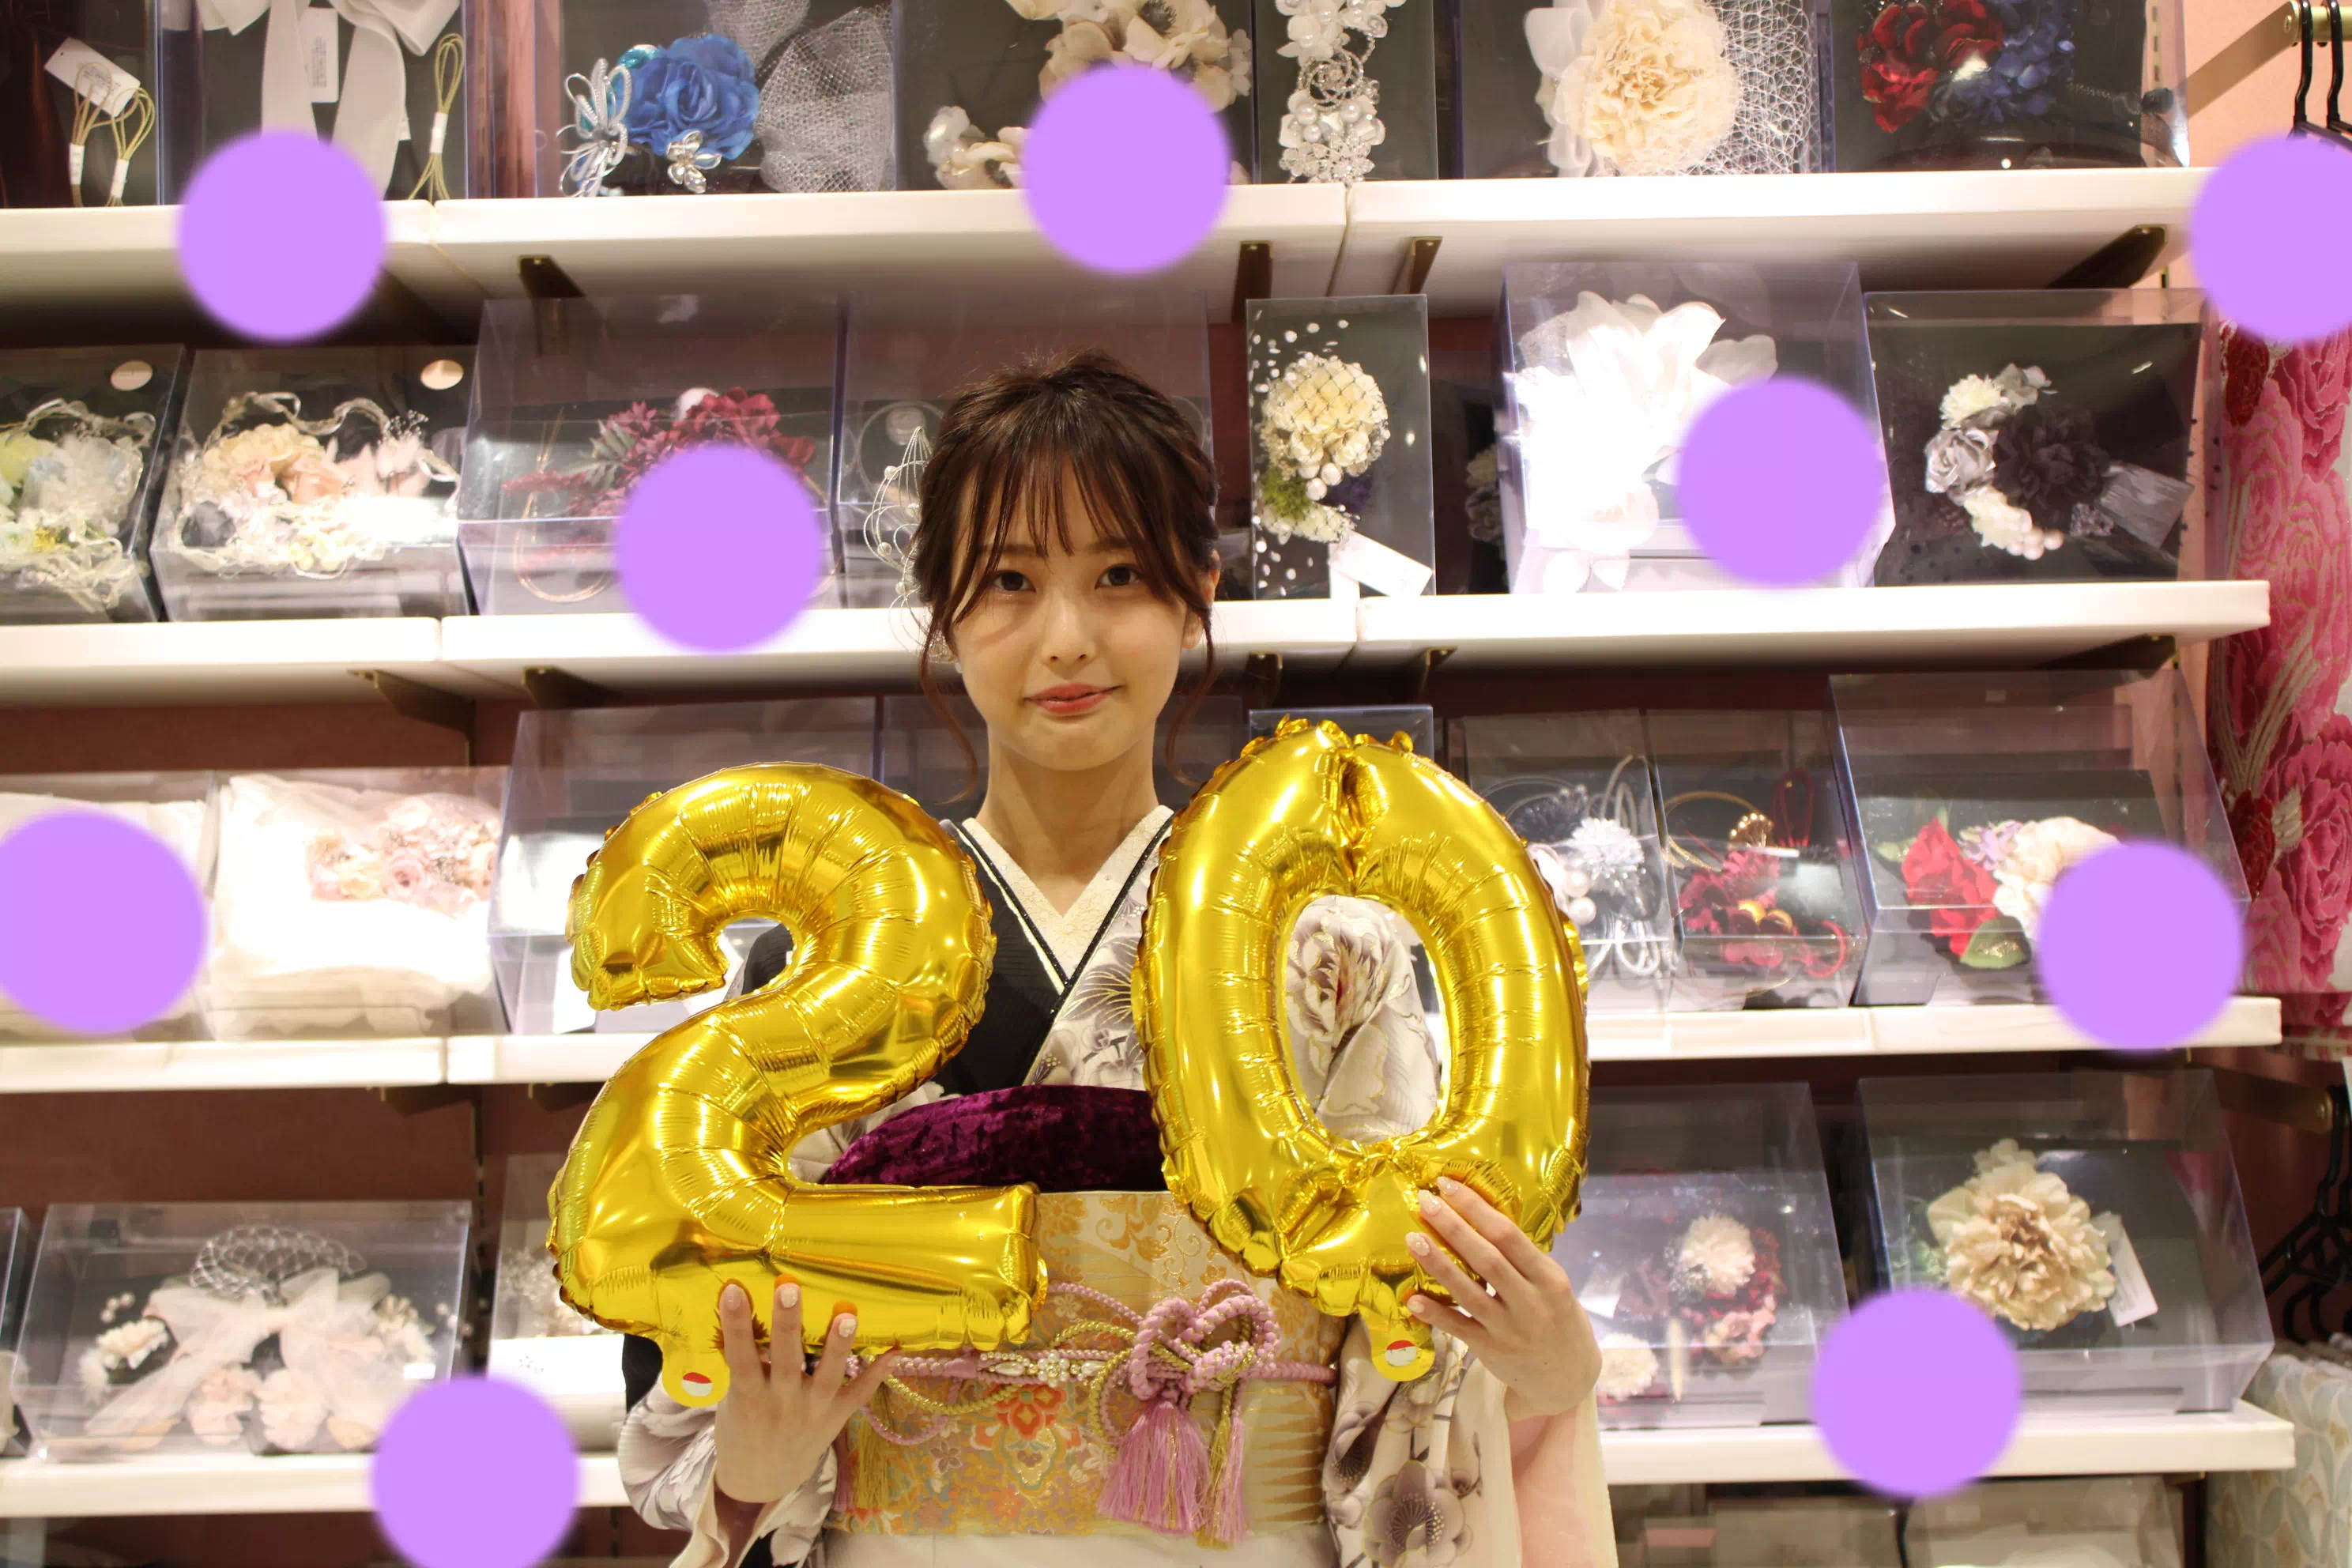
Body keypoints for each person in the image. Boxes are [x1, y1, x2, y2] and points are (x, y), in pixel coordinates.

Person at [616, 352, 1615, 1568]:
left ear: (1198, 594)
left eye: (1121, 576)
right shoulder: (819, 957)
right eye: (1009, 581)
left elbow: (1408, 1337)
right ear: (941, 609)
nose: (1068, 639)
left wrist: (1544, 1373)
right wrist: (752, 1467)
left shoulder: (1331, 949)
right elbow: (697, 1339)